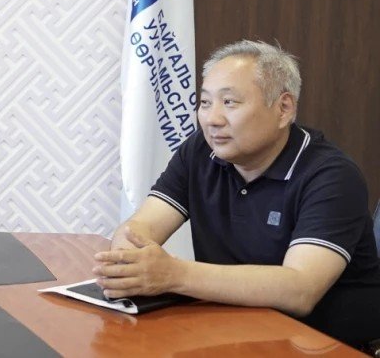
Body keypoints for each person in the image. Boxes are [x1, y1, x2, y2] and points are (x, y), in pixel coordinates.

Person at [94, 40, 380, 348]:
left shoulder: (331, 176)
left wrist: (174, 275)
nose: (212, 119)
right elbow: (142, 226)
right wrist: (128, 263)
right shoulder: (200, 151)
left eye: (229, 102)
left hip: (321, 345)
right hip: (229, 334)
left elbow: (300, 290)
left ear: (283, 108)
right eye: (205, 103)